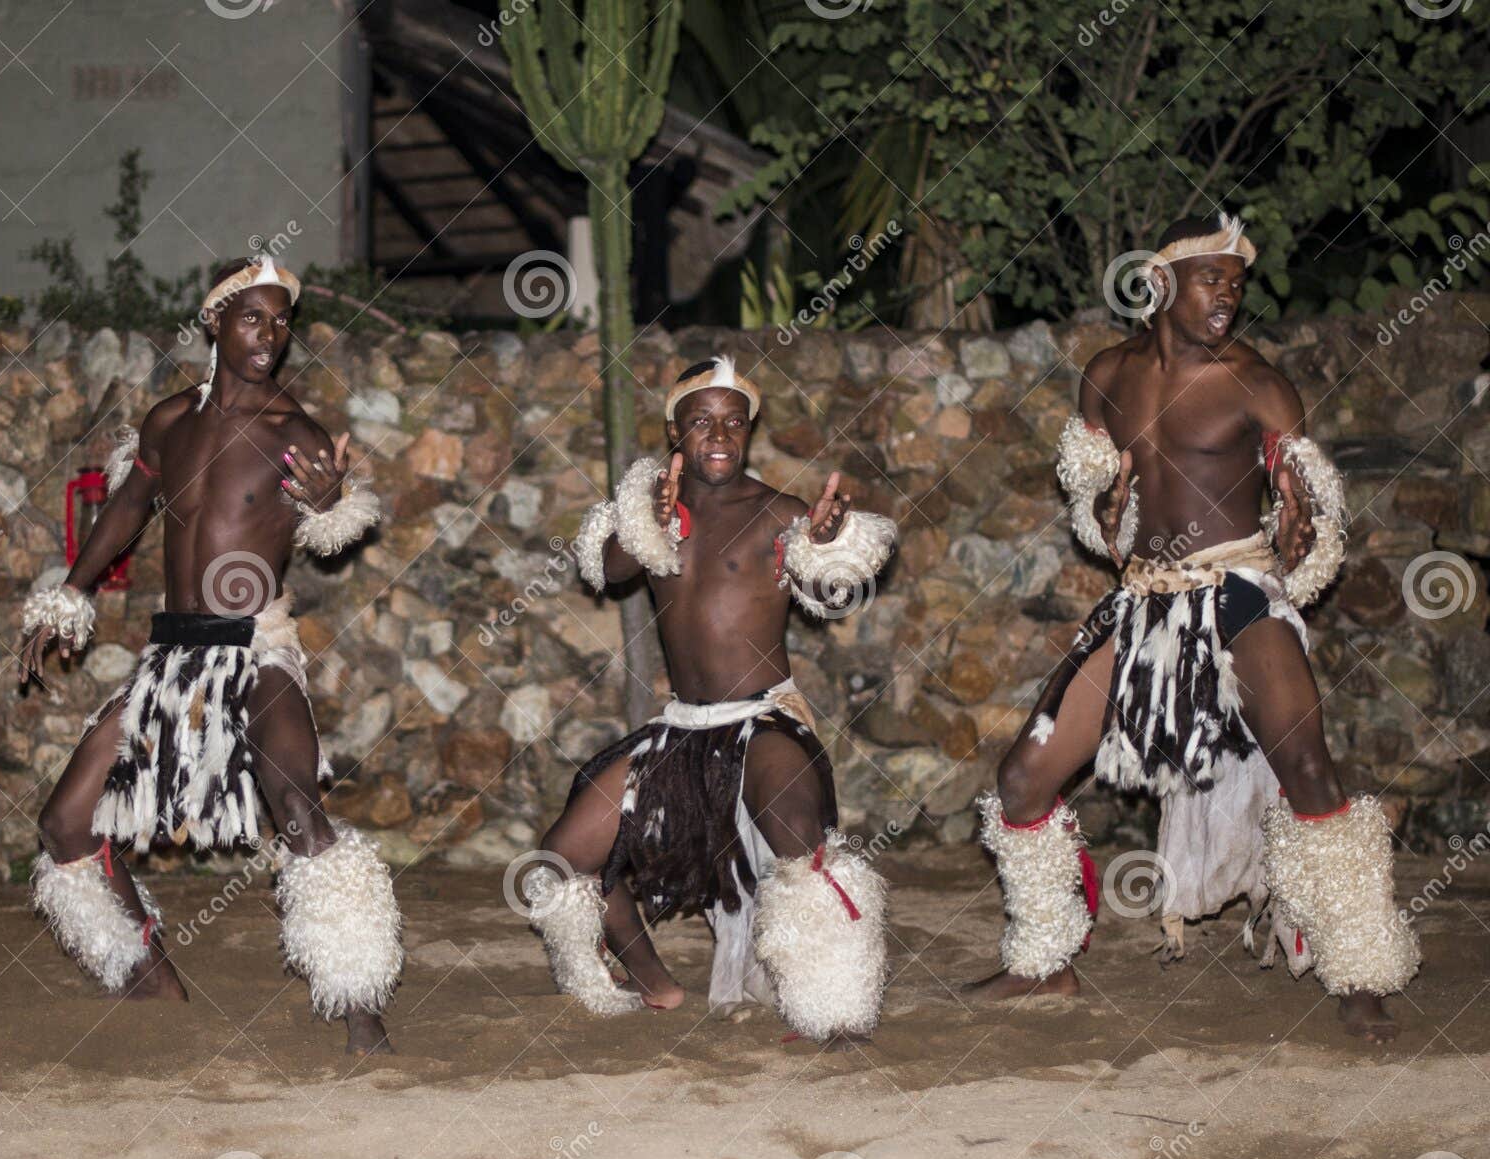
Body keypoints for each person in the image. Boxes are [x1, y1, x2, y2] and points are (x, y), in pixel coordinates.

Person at [967, 212, 1418, 1042]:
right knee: (1024, 779)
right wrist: (1102, 515)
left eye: (1237, 283)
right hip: (1145, 601)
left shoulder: (1257, 382)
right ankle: (1044, 958)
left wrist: (1303, 526)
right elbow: (1096, 501)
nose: (1229, 296)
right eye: (1212, 279)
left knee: (1311, 773)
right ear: (1161, 283)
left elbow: (1306, 493)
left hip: (1239, 590)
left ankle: (1361, 971)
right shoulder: (1106, 376)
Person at [18, 255, 403, 1055]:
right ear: (215, 324)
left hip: (256, 647)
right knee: (64, 823)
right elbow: (126, 509)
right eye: (253, 318)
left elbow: (329, 516)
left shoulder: (293, 433)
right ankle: (149, 977)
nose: (271, 334)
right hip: (172, 659)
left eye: (282, 320)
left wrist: (329, 505)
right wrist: (71, 596)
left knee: (296, 809)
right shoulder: (169, 423)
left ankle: (362, 1014)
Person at [526, 356, 898, 1043]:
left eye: (733, 422)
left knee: (799, 839)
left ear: (749, 431)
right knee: (563, 855)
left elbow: (829, 588)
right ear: (676, 433)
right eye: (702, 422)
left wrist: (824, 544)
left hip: (765, 719)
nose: (719, 434)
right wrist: (648, 522)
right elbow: (608, 570)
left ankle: (839, 1011)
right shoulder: (653, 515)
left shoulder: (776, 513)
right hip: (684, 731)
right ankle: (653, 981)